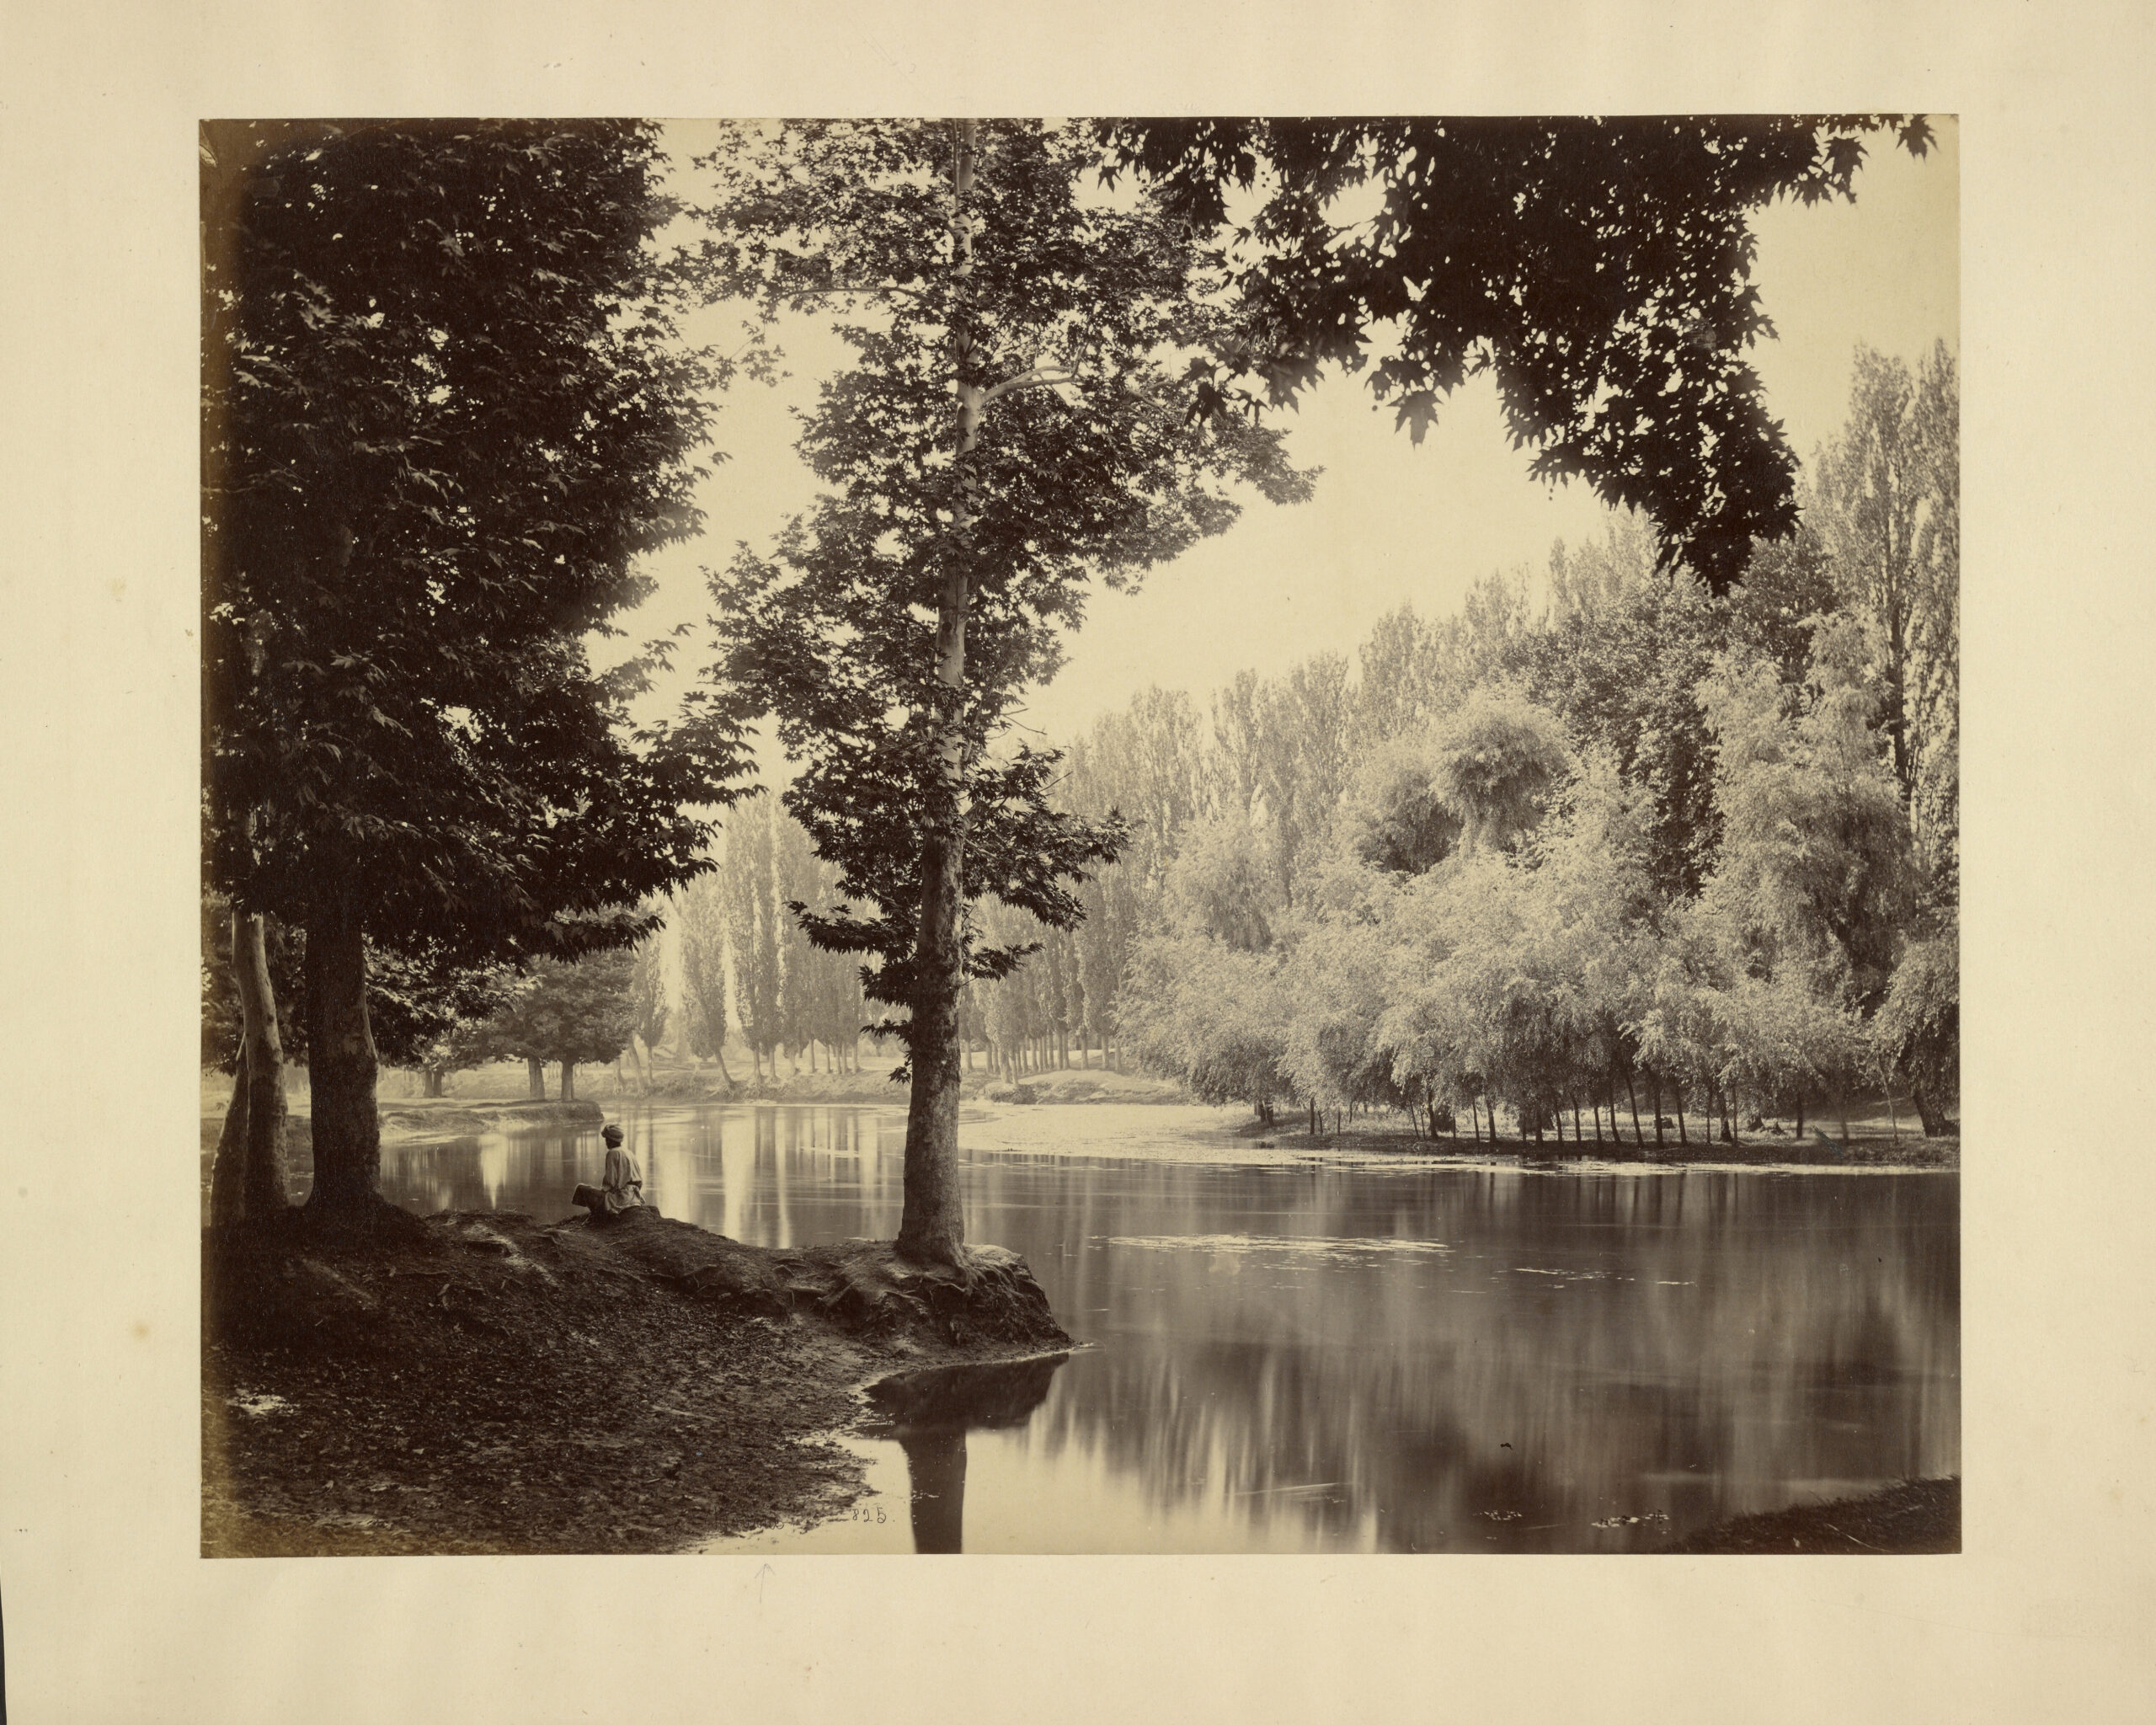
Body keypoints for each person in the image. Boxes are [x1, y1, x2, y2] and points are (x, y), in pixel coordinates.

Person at [571, 1123, 645, 1221]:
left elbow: (610, 1183)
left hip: (620, 1199)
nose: (606, 1142)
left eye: (607, 1139)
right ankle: (597, 1214)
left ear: (611, 1140)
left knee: (581, 1188)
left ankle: (598, 1215)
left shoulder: (612, 1153)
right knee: (593, 1192)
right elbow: (639, 1181)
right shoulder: (629, 1152)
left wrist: (602, 1192)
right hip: (634, 1197)